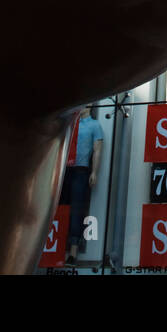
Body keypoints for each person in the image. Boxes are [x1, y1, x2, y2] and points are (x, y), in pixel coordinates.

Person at [61, 106, 104, 266]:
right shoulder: (70, 122)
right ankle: (56, 247)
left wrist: (94, 172)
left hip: (80, 170)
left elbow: (97, 149)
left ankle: (72, 252)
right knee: (60, 207)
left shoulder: (94, 125)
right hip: (65, 169)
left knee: (76, 210)